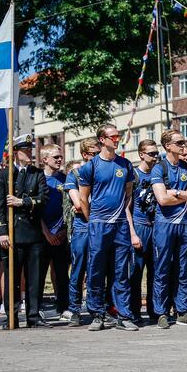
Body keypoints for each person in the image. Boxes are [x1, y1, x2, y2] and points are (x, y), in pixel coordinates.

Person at [78, 124, 139, 331]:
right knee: (96, 269)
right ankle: (97, 314)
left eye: (118, 135)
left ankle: (123, 314)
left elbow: (128, 192)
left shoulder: (125, 164)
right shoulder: (90, 166)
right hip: (99, 224)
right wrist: (92, 220)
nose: (117, 138)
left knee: (121, 270)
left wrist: (122, 212)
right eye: (113, 136)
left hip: (120, 224)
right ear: (102, 140)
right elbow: (83, 198)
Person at [0, 134, 50, 329]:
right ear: (16, 152)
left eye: (30, 149)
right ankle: (12, 316)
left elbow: (43, 199)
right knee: (13, 278)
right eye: (25, 150)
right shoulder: (5, 174)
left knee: (35, 277)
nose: (29, 153)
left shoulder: (37, 173)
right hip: (13, 233)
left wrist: (22, 202)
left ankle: (33, 316)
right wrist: (1, 231)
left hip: (33, 233)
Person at [150, 129, 187, 329]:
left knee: (185, 270)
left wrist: (178, 192)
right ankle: (161, 312)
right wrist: (185, 194)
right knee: (162, 269)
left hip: (184, 225)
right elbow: (162, 199)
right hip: (164, 225)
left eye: (183, 142)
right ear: (167, 146)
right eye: (179, 143)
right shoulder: (159, 169)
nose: (183, 146)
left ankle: (182, 311)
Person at [63, 138, 99, 326]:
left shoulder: (101, 171)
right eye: (93, 154)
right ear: (85, 155)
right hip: (83, 226)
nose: (97, 157)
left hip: (100, 225)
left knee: (97, 269)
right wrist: (95, 208)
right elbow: (78, 203)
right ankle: (74, 309)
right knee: (79, 268)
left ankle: (96, 309)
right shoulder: (74, 175)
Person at [126, 139, 159, 323]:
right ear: (141, 154)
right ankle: (134, 311)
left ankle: (155, 311)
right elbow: (126, 207)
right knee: (136, 273)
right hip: (139, 227)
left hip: (156, 228)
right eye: (151, 154)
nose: (155, 157)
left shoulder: (158, 174)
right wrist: (132, 233)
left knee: (156, 272)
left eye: (157, 154)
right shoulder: (134, 176)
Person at [39, 144, 70, 321]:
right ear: (45, 159)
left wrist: (64, 231)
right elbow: (35, 212)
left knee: (61, 273)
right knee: (39, 274)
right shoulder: (38, 179)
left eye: (60, 156)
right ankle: (36, 308)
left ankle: (63, 307)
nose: (60, 159)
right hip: (43, 235)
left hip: (61, 234)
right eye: (55, 157)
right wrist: (46, 233)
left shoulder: (65, 179)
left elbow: (69, 209)